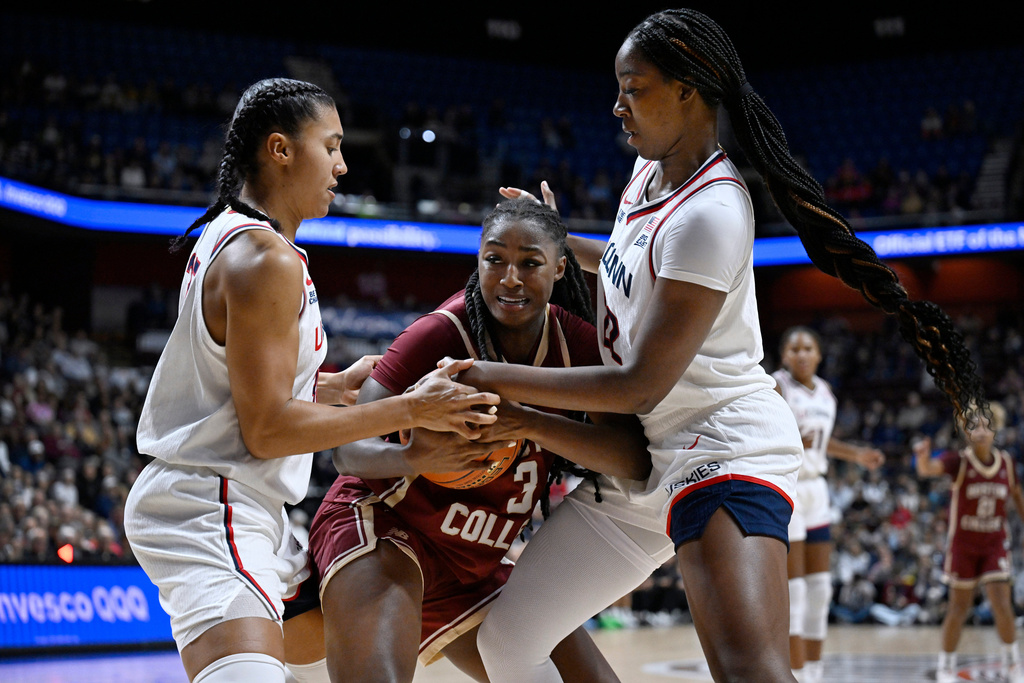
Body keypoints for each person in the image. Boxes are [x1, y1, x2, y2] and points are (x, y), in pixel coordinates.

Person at [459, 9, 984, 683]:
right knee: (511, 639)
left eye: (634, 87)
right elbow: (626, 262)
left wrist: (491, 377)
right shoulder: (647, 177)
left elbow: (639, 383)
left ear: (688, 90)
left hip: (719, 447)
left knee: (750, 671)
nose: (617, 105)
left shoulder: (711, 211)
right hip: (646, 457)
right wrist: (558, 246)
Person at [123, 78, 500, 683]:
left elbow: (228, 382)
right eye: (331, 146)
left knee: (365, 609)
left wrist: (326, 388)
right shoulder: (265, 260)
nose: (343, 165)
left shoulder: (233, 234)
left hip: (243, 506)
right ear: (281, 149)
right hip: (211, 504)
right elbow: (269, 429)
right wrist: (409, 410)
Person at [308, 198, 650, 683]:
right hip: (386, 523)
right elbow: (347, 450)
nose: (510, 277)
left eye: (530, 263)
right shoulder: (437, 336)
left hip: (472, 562)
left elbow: (632, 459)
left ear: (559, 268)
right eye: (495, 260)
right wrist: (413, 455)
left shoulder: (576, 342)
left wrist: (527, 422)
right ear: (478, 261)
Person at [773, 326, 885, 683]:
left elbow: (821, 444)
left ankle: (815, 674)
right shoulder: (776, 386)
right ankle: (797, 673)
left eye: (808, 348)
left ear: (819, 355)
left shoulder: (826, 393)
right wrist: (789, 437)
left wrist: (856, 454)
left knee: (821, 588)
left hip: (816, 491)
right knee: (798, 590)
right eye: (795, 349)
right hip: (787, 488)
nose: (802, 354)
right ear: (784, 355)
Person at [913, 402, 1024, 683]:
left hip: (994, 543)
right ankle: (946, 665)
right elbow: (928, 469)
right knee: (958, 607)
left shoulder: (1007, 464)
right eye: (975, 425)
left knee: (1001, 600)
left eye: (988, 425)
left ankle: (1012, 663)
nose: (982, 430)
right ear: (966, 432)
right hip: (963, 546)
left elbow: (1018, 498)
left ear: (996, 430)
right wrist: (922, 459)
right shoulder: (958, 461)